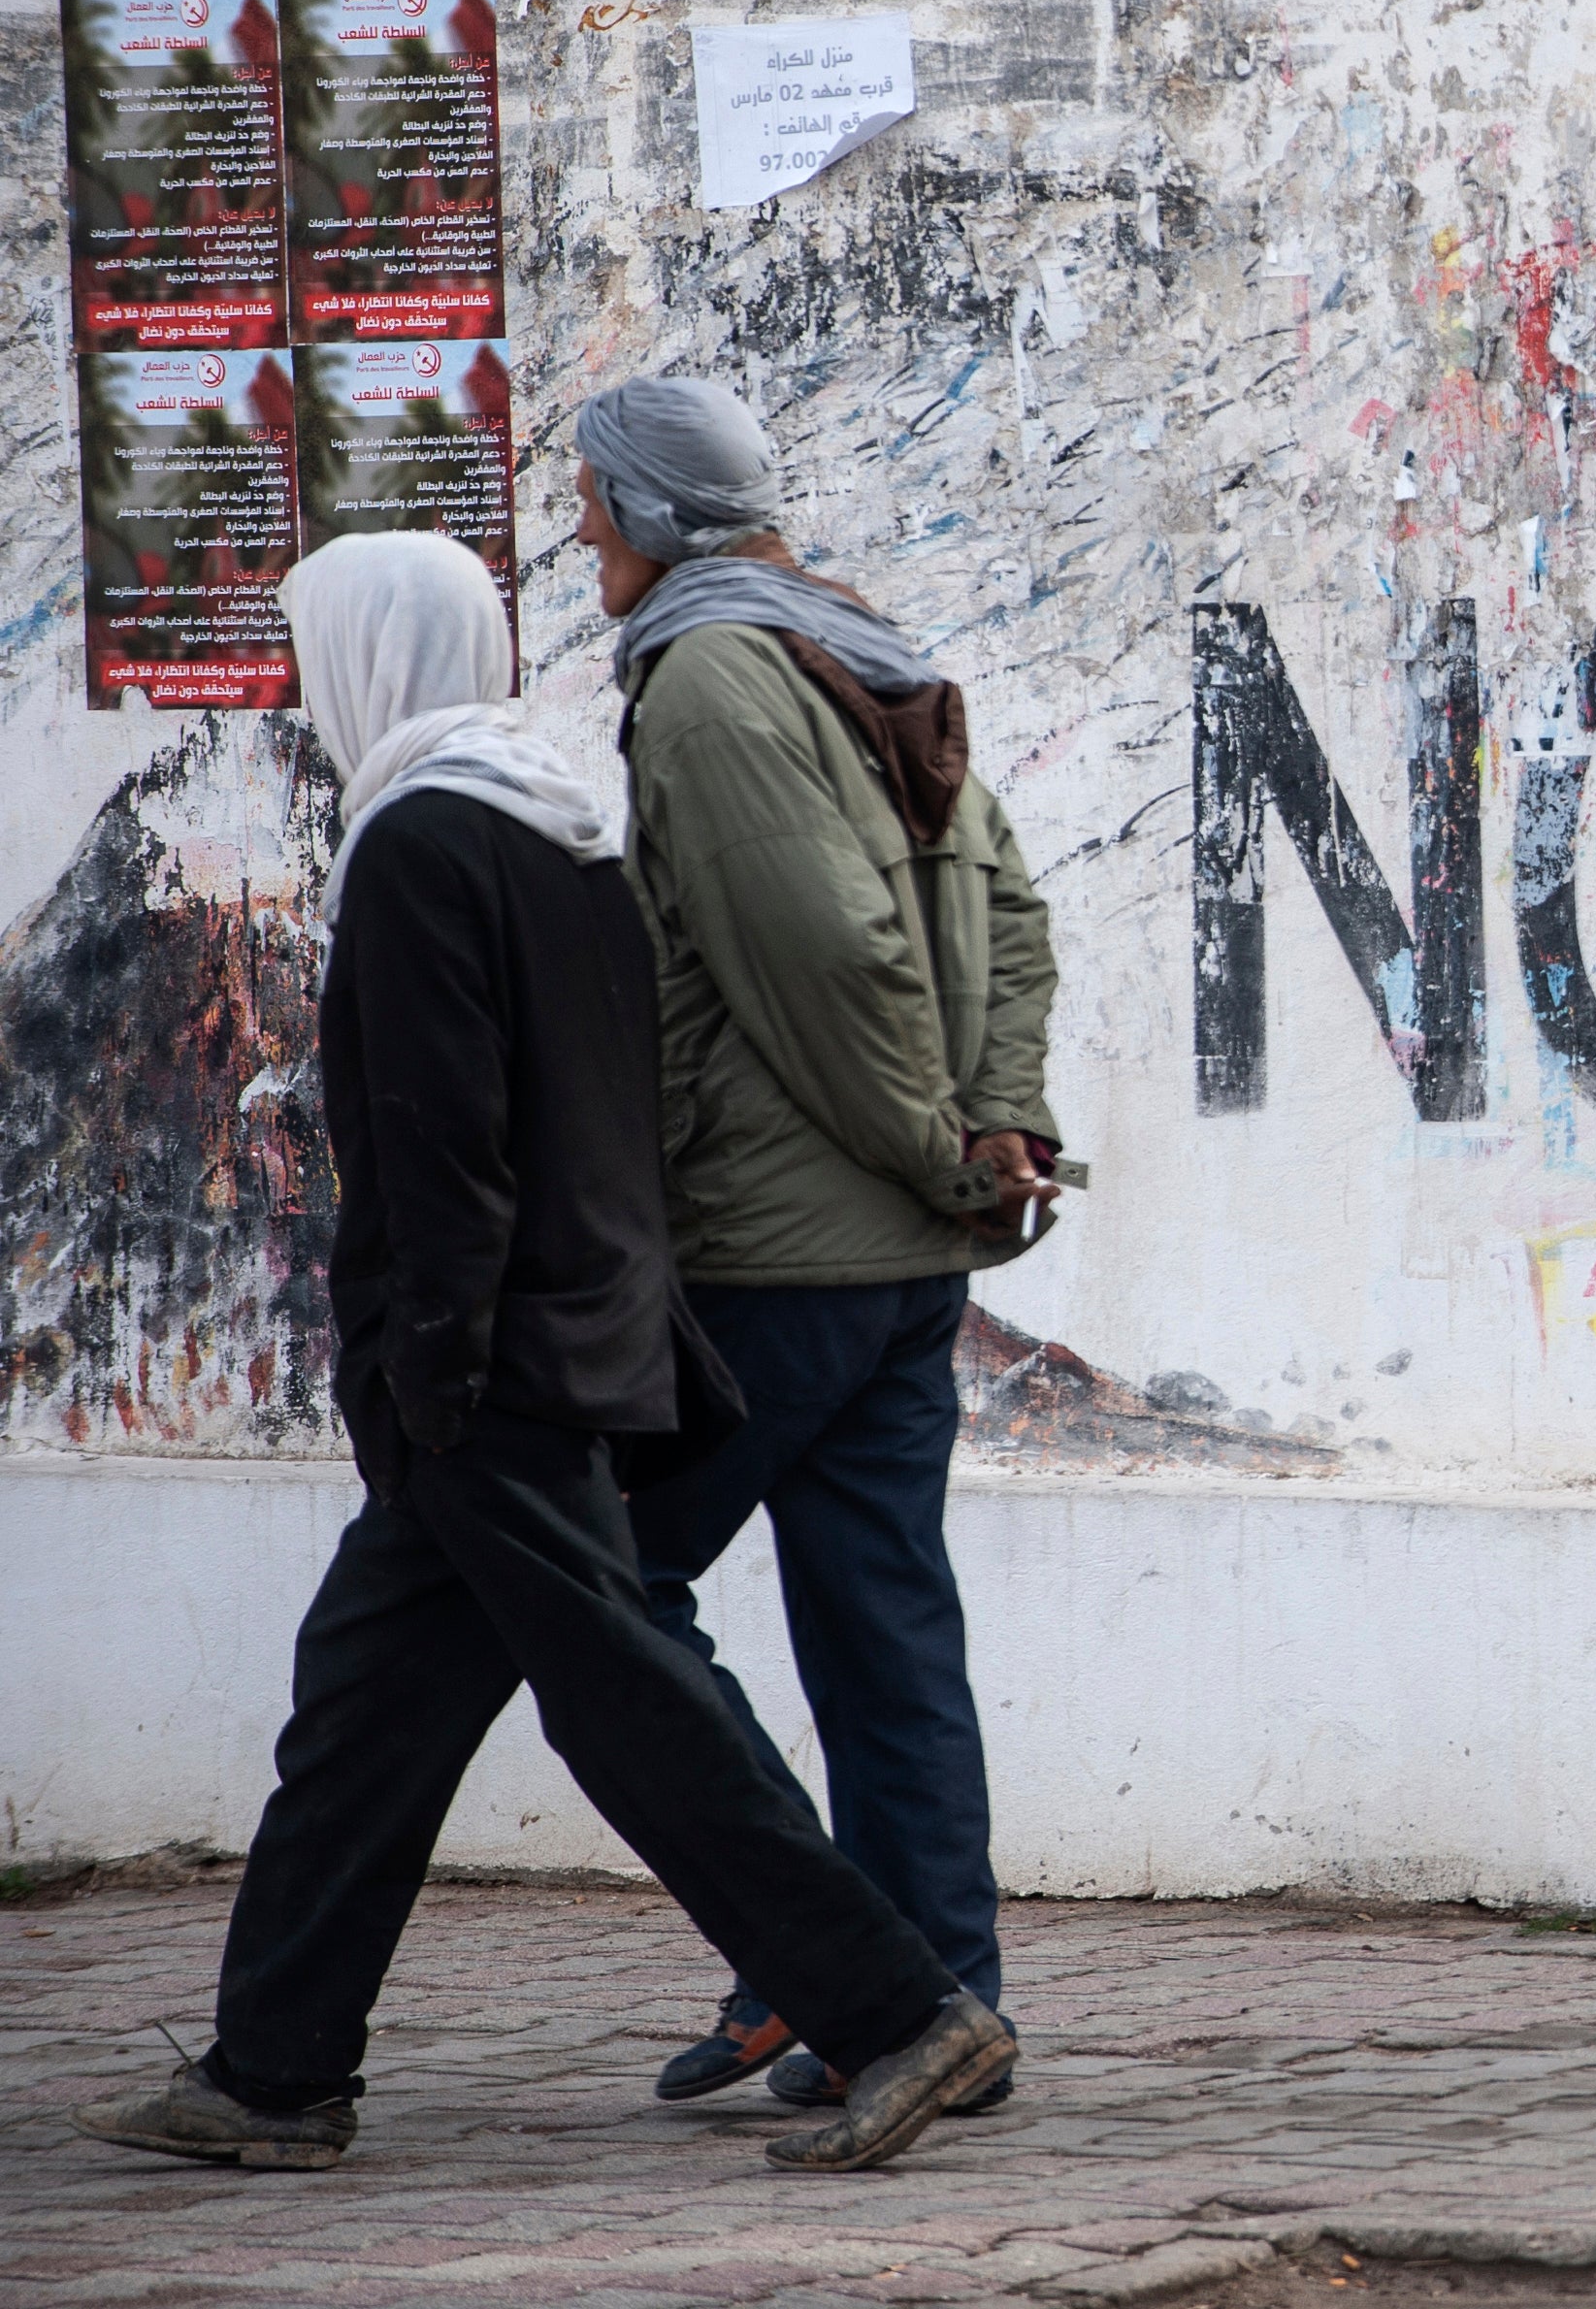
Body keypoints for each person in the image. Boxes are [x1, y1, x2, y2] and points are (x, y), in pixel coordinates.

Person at [69, 532, 1013, 2177]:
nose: (302, 696)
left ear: (376, 657)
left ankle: (900, 2011)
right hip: (571, 1330)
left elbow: (443, 1146)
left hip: (483, 1368)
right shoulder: (553, 821)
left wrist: (421, 1374)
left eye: (314, 657)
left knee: (629, 1707)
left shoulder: (424, 842)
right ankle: (272, 2072)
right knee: (365, 1713)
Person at [560, 380, 1064, 2113]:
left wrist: (944, 1150)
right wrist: (991, 1133)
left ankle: (823, 1958)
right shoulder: (852, 640)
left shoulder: (710, 678)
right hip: (901, 1257)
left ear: (653, 515)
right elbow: (1007, 906)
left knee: (609, 1596)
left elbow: (832, 960)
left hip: (782, 1258)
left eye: (595, 503)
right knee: (888, 1635)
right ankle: (935, 2001)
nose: (581, 536)